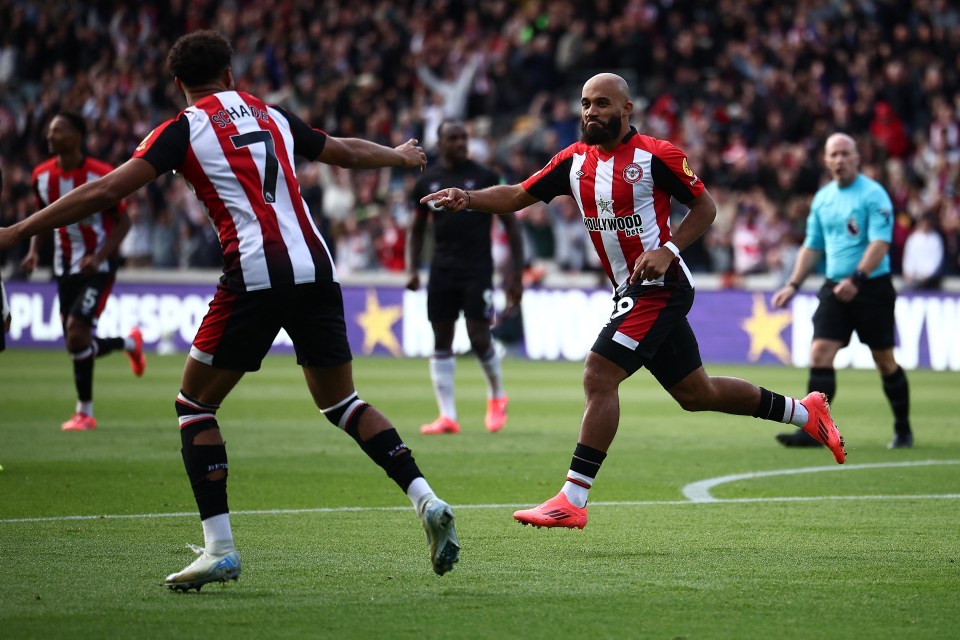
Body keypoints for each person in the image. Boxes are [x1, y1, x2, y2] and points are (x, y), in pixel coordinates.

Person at [0, 30, 459, 588]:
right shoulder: (270, 114)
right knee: (342, 402)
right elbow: (341, 149)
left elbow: (106, 192)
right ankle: (425, 499)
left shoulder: (182, 129)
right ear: (231, 74)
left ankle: (220, 549)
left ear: (178, 85)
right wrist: (401, 157)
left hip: (255, 274)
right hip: (316, 267)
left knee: (193, 404)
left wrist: (21, 228)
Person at [420, 73, 847, 530]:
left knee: (598, 374)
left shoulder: (657, 156)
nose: (590, 112)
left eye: (602, 103)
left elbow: (705, 208)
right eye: (585, 104)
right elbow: (518, 195)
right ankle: (807, 412)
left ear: (627, 110)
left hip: (661, 286)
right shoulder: (573, 160)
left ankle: (573, 497)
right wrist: (469, 198)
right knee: (696, 393)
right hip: (629, 288)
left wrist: (669, 250)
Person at [772, 133, 913, 449]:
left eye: (845, 154)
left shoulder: (874, 195)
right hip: (834, 287)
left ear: (857, 157)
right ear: (825, 160)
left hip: (871, 287)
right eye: (833, 154)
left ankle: (903, 429)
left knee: (884, 360)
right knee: (820, 353)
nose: (839, 160)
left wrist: (858, 279)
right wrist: (793, 284)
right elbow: (813, 245)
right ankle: (815, 431)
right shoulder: (823, 198)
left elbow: (880, 242)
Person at [21, 113, 146, 432]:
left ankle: (84, 413)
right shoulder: (42, 176)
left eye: (58, 131)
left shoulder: (100, 175)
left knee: (77, 334)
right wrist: (34, 252)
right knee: (77, 342)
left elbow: (124, 222)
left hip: (97, 269)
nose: (50, 136)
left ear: (77, 136)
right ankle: (128, 344)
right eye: (49, 131)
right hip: (64, 269)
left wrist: (99, 256)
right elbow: (43, 217)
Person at [407, 119, 524, 435]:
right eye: (454, 138)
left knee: (478, 336)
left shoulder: (485, 177)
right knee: (441, 339)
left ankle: (497, 396)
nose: (461, 143)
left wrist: (516, 272)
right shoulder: (426, 182)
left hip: (478, 271)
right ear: (440, 142)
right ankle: (447, 416)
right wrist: (412, 268)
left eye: (464, 137)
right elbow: (416, 230)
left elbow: (512, 226)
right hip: (441, 271)